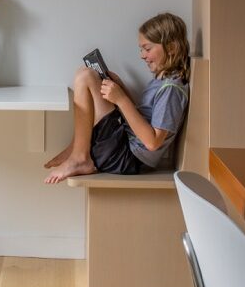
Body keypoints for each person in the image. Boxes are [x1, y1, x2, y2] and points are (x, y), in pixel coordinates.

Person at [44, 12, 190, 184]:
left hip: (127, 158)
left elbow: (152, 142)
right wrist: (121, 89)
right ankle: (77, 148)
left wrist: (121, 99)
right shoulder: (162, 80)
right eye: (141, 49)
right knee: (86, 74)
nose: (142, 55)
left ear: (171, 48)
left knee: (85, 76)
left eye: (147, 48)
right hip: (125, 147)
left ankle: (79, 156)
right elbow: (144, 119)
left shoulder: (171, 90)